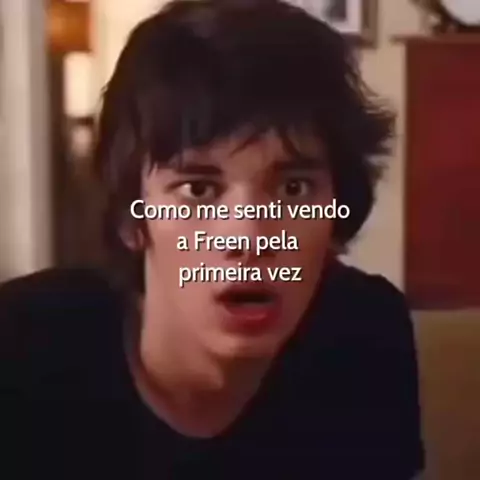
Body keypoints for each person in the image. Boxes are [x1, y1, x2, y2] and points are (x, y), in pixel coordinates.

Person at [0, 0, 425, 478]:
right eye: (198, 190)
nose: (249, 237)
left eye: (293, 189)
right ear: (131, 218)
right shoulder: (21, 347)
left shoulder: (365, 335)